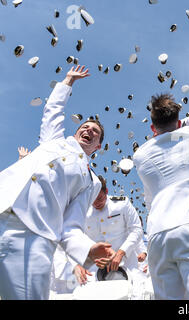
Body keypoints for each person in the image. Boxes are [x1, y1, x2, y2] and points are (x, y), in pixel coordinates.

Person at [0, 66, 114, 300]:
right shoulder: (53, 140)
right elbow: (52, 111)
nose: (88, 131)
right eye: (85, 127)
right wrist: (68, 81)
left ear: (98, 146)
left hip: (32, 237)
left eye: (95, 132)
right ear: (75, 132)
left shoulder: (90, 181)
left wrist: (87, 249)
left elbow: (71, 225)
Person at [133, 93, 189, 300]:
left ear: (153, 127)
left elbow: (149, 199)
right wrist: (184, 124)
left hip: (157, 235)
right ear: (179, 122)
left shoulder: (140, 155)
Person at [79, 175, 143, 278]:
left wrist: (121, 253)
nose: (96, 203)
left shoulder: (121, 204)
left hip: (126, 265)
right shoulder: (84, 212)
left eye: (99, 198)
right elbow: (79, 238)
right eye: (92, 199)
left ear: (106, 191)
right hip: (96, 269)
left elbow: (136, 230)